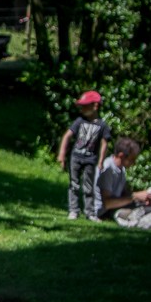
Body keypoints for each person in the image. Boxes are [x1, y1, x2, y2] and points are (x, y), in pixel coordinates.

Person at [56, 89, 112, 221]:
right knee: (74, 184)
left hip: (90, 160)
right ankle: (73, 210)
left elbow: (104, 143)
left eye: (85, 106)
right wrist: (62, 154)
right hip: (76, 157)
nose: (81, 109)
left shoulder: (102, 125)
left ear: (95, 106)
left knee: (88, 187)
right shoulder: (79, 121)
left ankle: (90, 212)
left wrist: (101, 161)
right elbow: (67, 136)